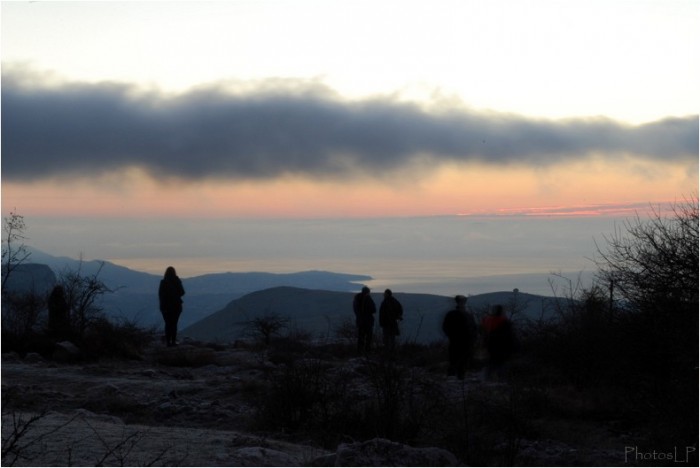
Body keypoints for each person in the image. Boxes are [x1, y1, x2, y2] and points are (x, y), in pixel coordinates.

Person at [442, 295, 477, 380]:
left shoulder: (452, 314)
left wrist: (451, 336)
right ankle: (456, 379)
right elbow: (474, 328)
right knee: (458, 361)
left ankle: (455, 379)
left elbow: (445, 327)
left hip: (460, 341)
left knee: (457, 360)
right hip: (462, 341)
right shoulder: (467, 315)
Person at [481, 304, 516, 380]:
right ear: (501, 312)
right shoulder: (504, 322)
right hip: (502, 347)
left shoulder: (487, 320)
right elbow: (510, 336)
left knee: (490, 363)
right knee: (502, 364)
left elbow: (484, 334)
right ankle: (501, 380)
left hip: (490, 346)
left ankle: (486, 378)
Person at [159, 266, 185, 347]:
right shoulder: (177, 281)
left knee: (167, 324)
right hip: (176, 306)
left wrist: (162, 306)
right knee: (174, 324)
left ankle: (168, 342)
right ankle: (173, 341)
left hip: (165, 307)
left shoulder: (163, 282)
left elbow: (160, 295)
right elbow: (182, 292)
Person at [353, 286, 376, 353]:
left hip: (360, 320)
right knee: (368, 336)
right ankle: (367, 351)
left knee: (361, 336)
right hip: (368, 321)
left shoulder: (356, 298)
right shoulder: (368, 298)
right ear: (368, 292)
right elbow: (373, 310)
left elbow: (355, 309)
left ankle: (359, 351)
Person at [379, 289, 403, 353]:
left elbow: (382, 314)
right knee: (391, 337)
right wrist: (398, 317)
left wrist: (381, 322)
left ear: (387, 294)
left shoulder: (385, 302)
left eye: (385, 293)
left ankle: (387, 350)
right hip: (392, 322)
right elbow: (400, 310)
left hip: (387, 323)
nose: (384, 295)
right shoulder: (394, 301)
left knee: (387, 337)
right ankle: (391, 350)